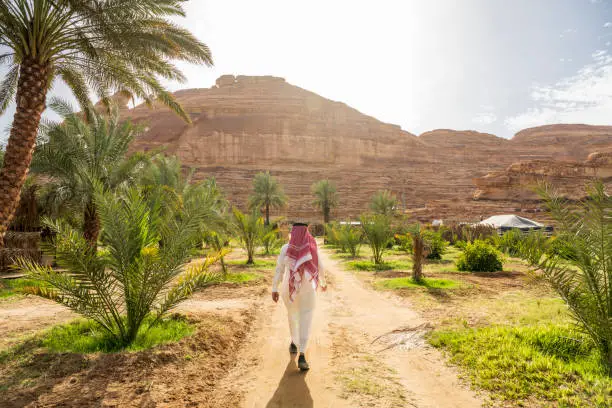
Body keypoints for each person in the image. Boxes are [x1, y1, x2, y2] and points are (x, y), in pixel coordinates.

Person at [272, 222, 327, 371]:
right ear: (306, 232)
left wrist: (274, 288)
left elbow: (279, 270)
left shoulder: (285, 249)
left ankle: (294, 343)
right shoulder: (313, 249)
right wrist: (322, 282)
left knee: (292, 316)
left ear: (293, 232)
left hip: (289, 291)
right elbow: (321, 268)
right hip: (308, 290)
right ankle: (302, 354)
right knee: (306, 319)